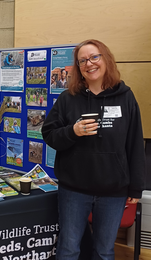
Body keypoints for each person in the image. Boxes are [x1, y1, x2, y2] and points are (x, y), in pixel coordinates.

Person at [41, 39, 146, 260]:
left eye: (94, 57)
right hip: (74, 189)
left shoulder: (125, 97)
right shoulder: (68, 98)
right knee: (68, 250)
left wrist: (136, 189)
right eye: (82, 61)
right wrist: (73, 132)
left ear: (105, 59)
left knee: (104, 251)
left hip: (113, 191)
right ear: (78, 68)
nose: (89, 63)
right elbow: (49, 135)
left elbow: (135, 144)